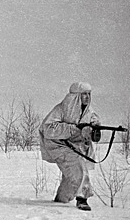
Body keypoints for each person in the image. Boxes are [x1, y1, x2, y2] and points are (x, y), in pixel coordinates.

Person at [39, 82, 100, 211]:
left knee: (70, 175)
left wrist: (94, 129)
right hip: (58, 145)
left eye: (89, 94)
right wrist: (73, 129)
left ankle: (62, 199)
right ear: (76, 96)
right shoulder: (61, 109)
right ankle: (82, 199)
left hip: (75, 146)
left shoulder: (89, 112)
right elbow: (48, 129)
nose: (87, 97)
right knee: (78, 167)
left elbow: (94, 128)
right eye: (83, 94)